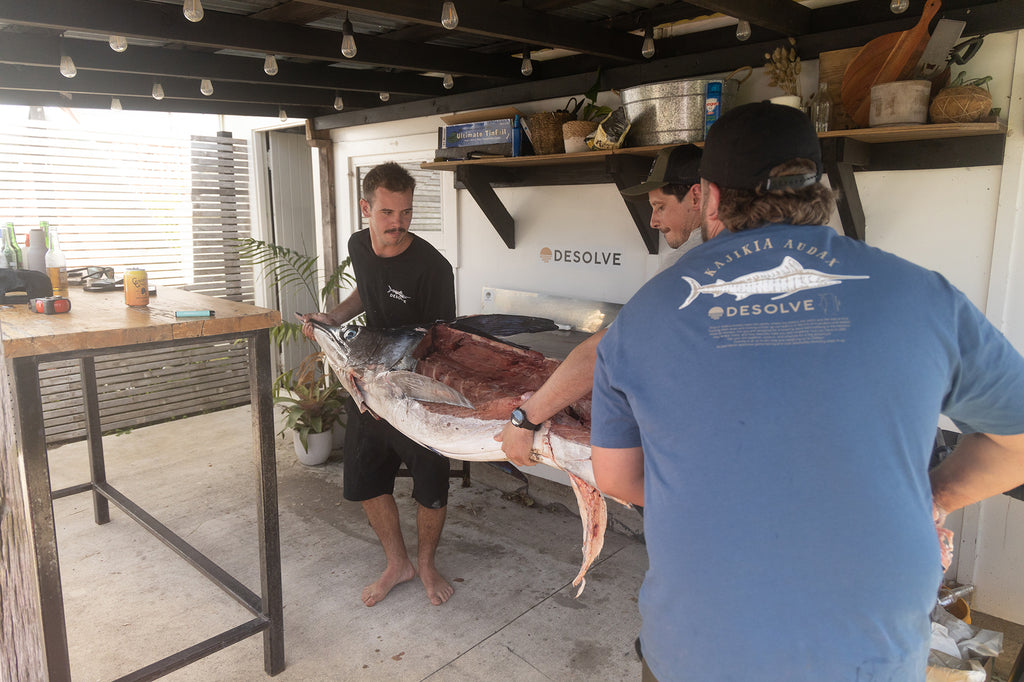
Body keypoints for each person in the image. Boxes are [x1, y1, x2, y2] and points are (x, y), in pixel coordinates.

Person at [589, 102, 1024, 681]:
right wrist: (934, 499)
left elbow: (617, 478)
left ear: (710, 198)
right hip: (868, 661)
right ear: (819, 190)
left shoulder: (644, 316)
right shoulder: (924, 297)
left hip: (697, 655)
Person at [302, 161, 456, 607]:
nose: (398, 223)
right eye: (388, 212)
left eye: (406, 212)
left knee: (430, 485)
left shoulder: (433, 268)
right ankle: (398, 563)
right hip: (367, 385)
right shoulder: (358, 245)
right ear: (366, 208)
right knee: (368, 481)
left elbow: (443, 340)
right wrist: (332, 318)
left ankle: (426, 563)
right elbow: (366, 295)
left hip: (417, 391)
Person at [497, 145, 703, 466]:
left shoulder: (691, 262)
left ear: (697, 196)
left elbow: (606, 350)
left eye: (660, 206)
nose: (652, 221)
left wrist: (525, 418)